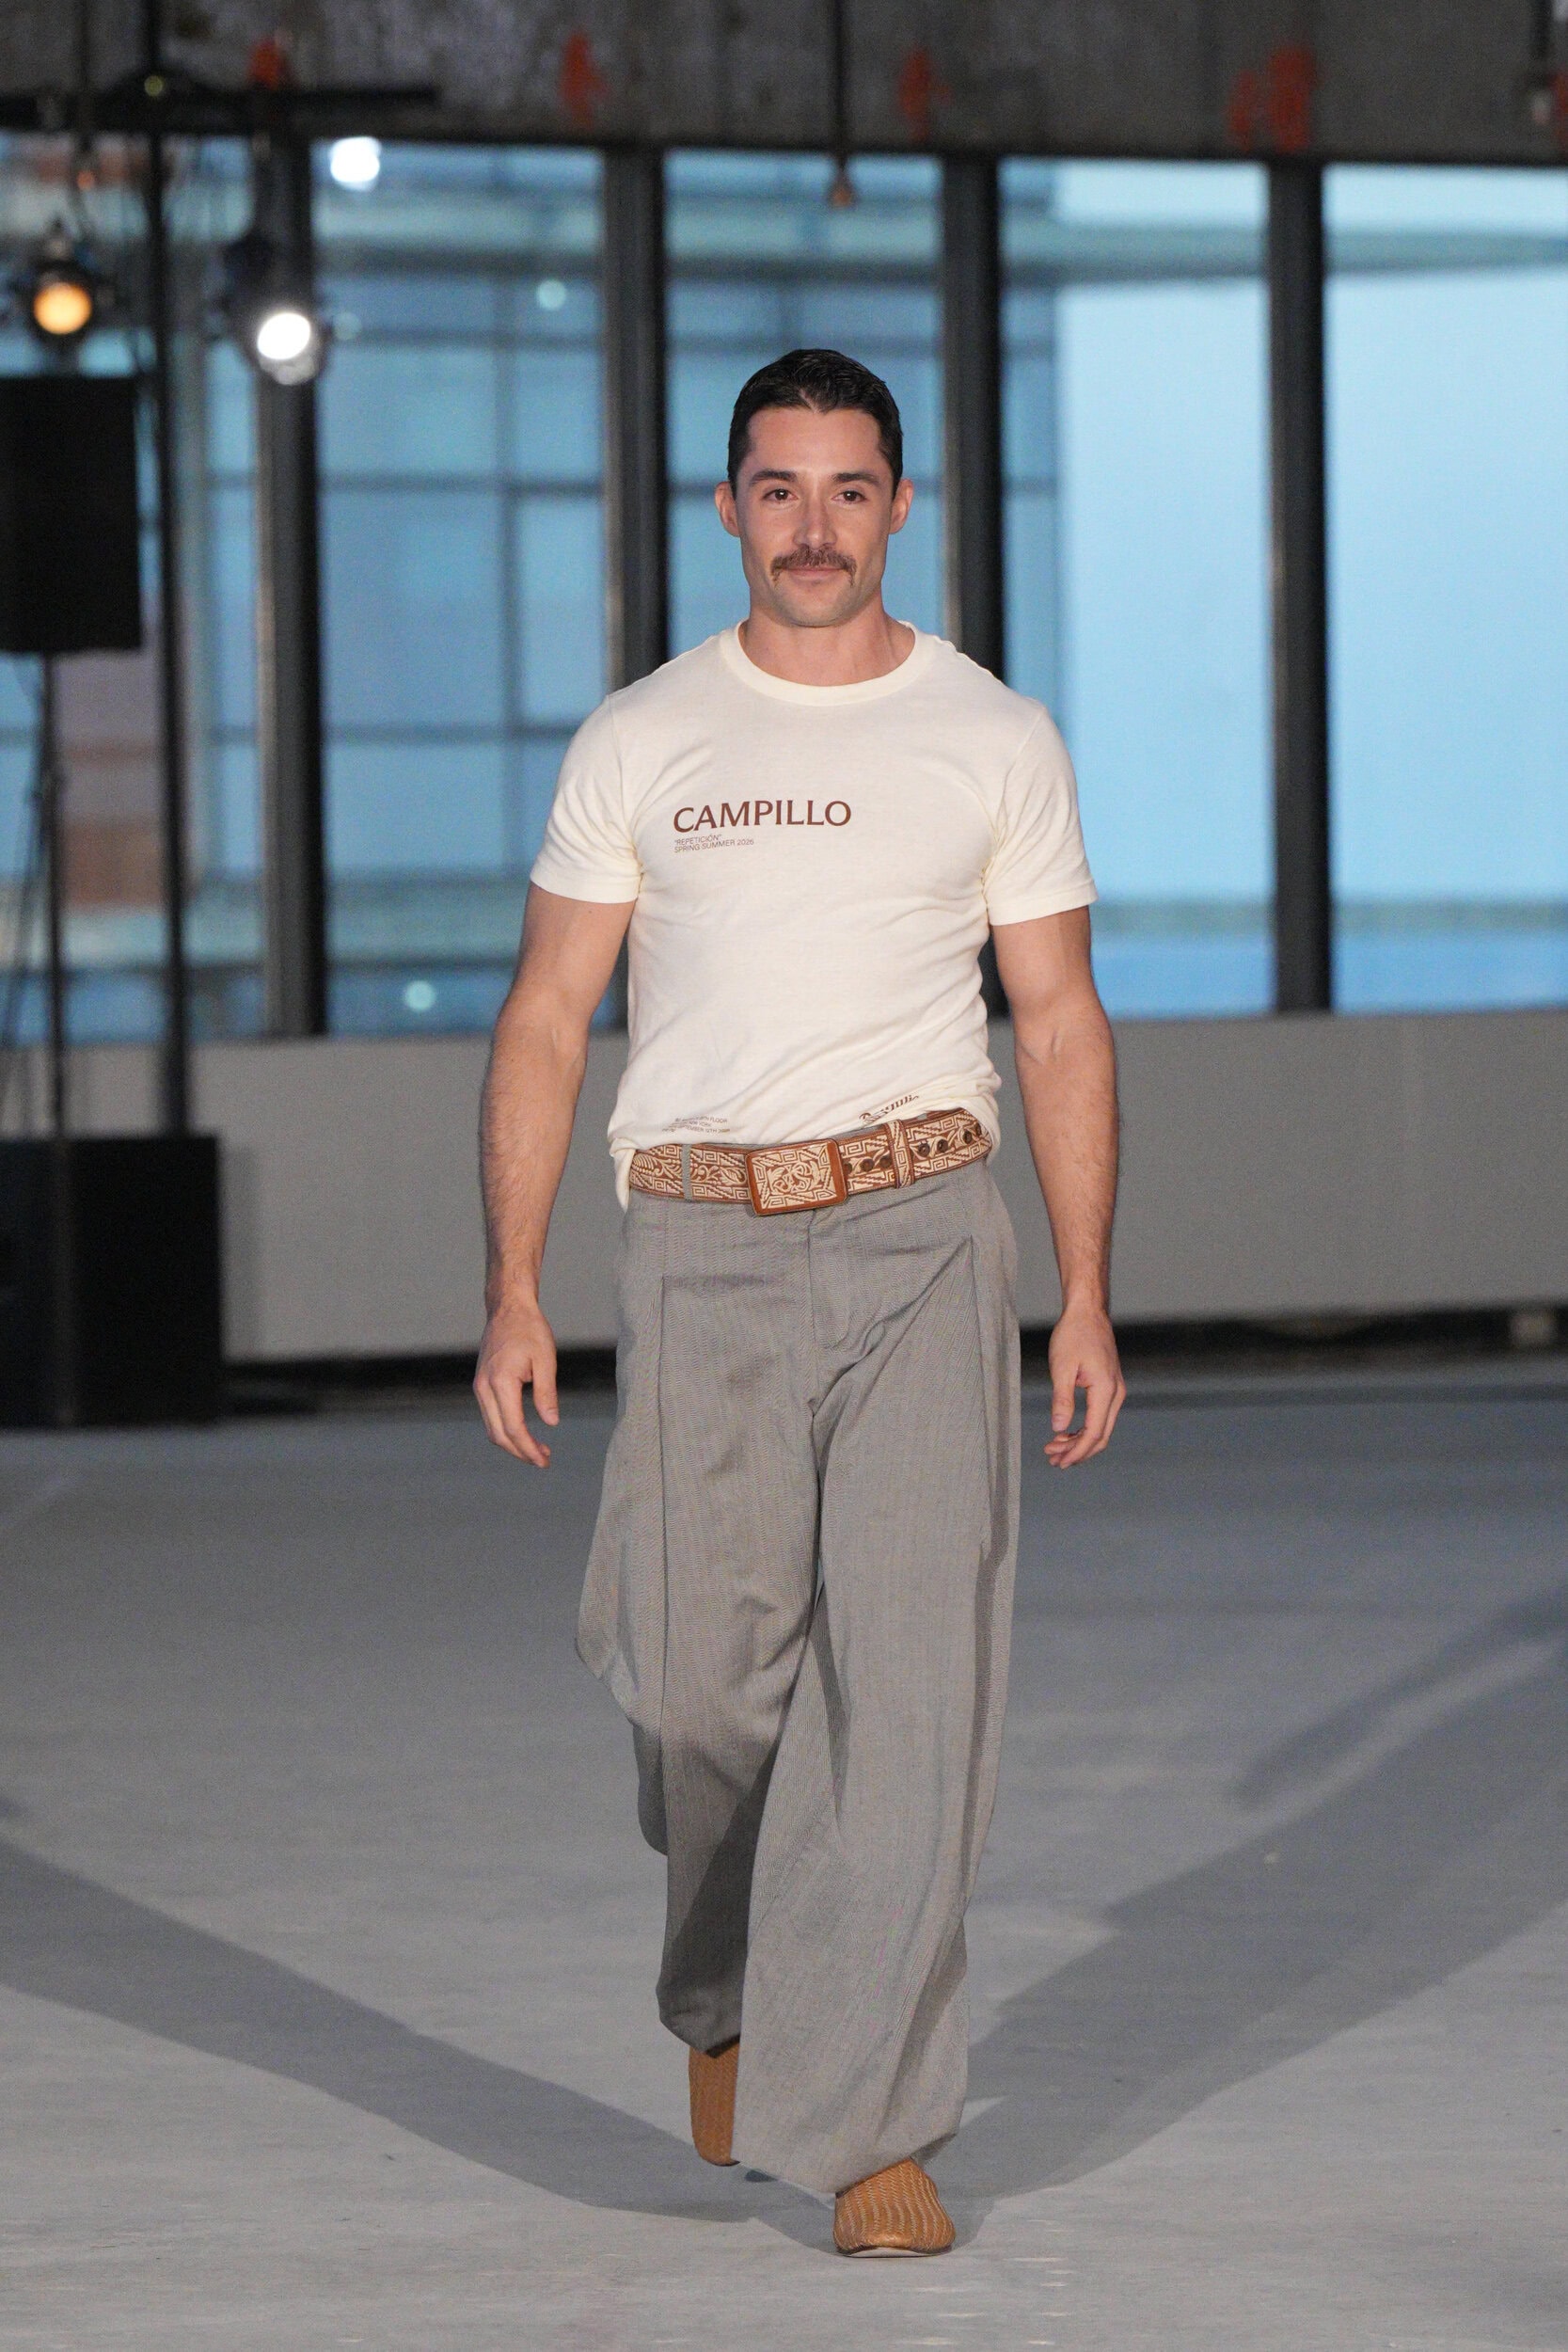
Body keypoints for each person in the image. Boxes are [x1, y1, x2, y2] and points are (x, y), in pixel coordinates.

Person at [474, 347, 1124, 2256]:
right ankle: (726, 1995)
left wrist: (1087, 1289)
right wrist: (512, 1283)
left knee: (911, 1704)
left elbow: (1059, 1018)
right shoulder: (643, 737)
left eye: (851, 490)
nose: (816, 527)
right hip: (701, 1245)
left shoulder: (992, 734)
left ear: (901, 507)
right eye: (781, 488)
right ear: (729, 506)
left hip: (924, 1231)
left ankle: (875, 2131)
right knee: (698, 1688)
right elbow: (546, 1013)